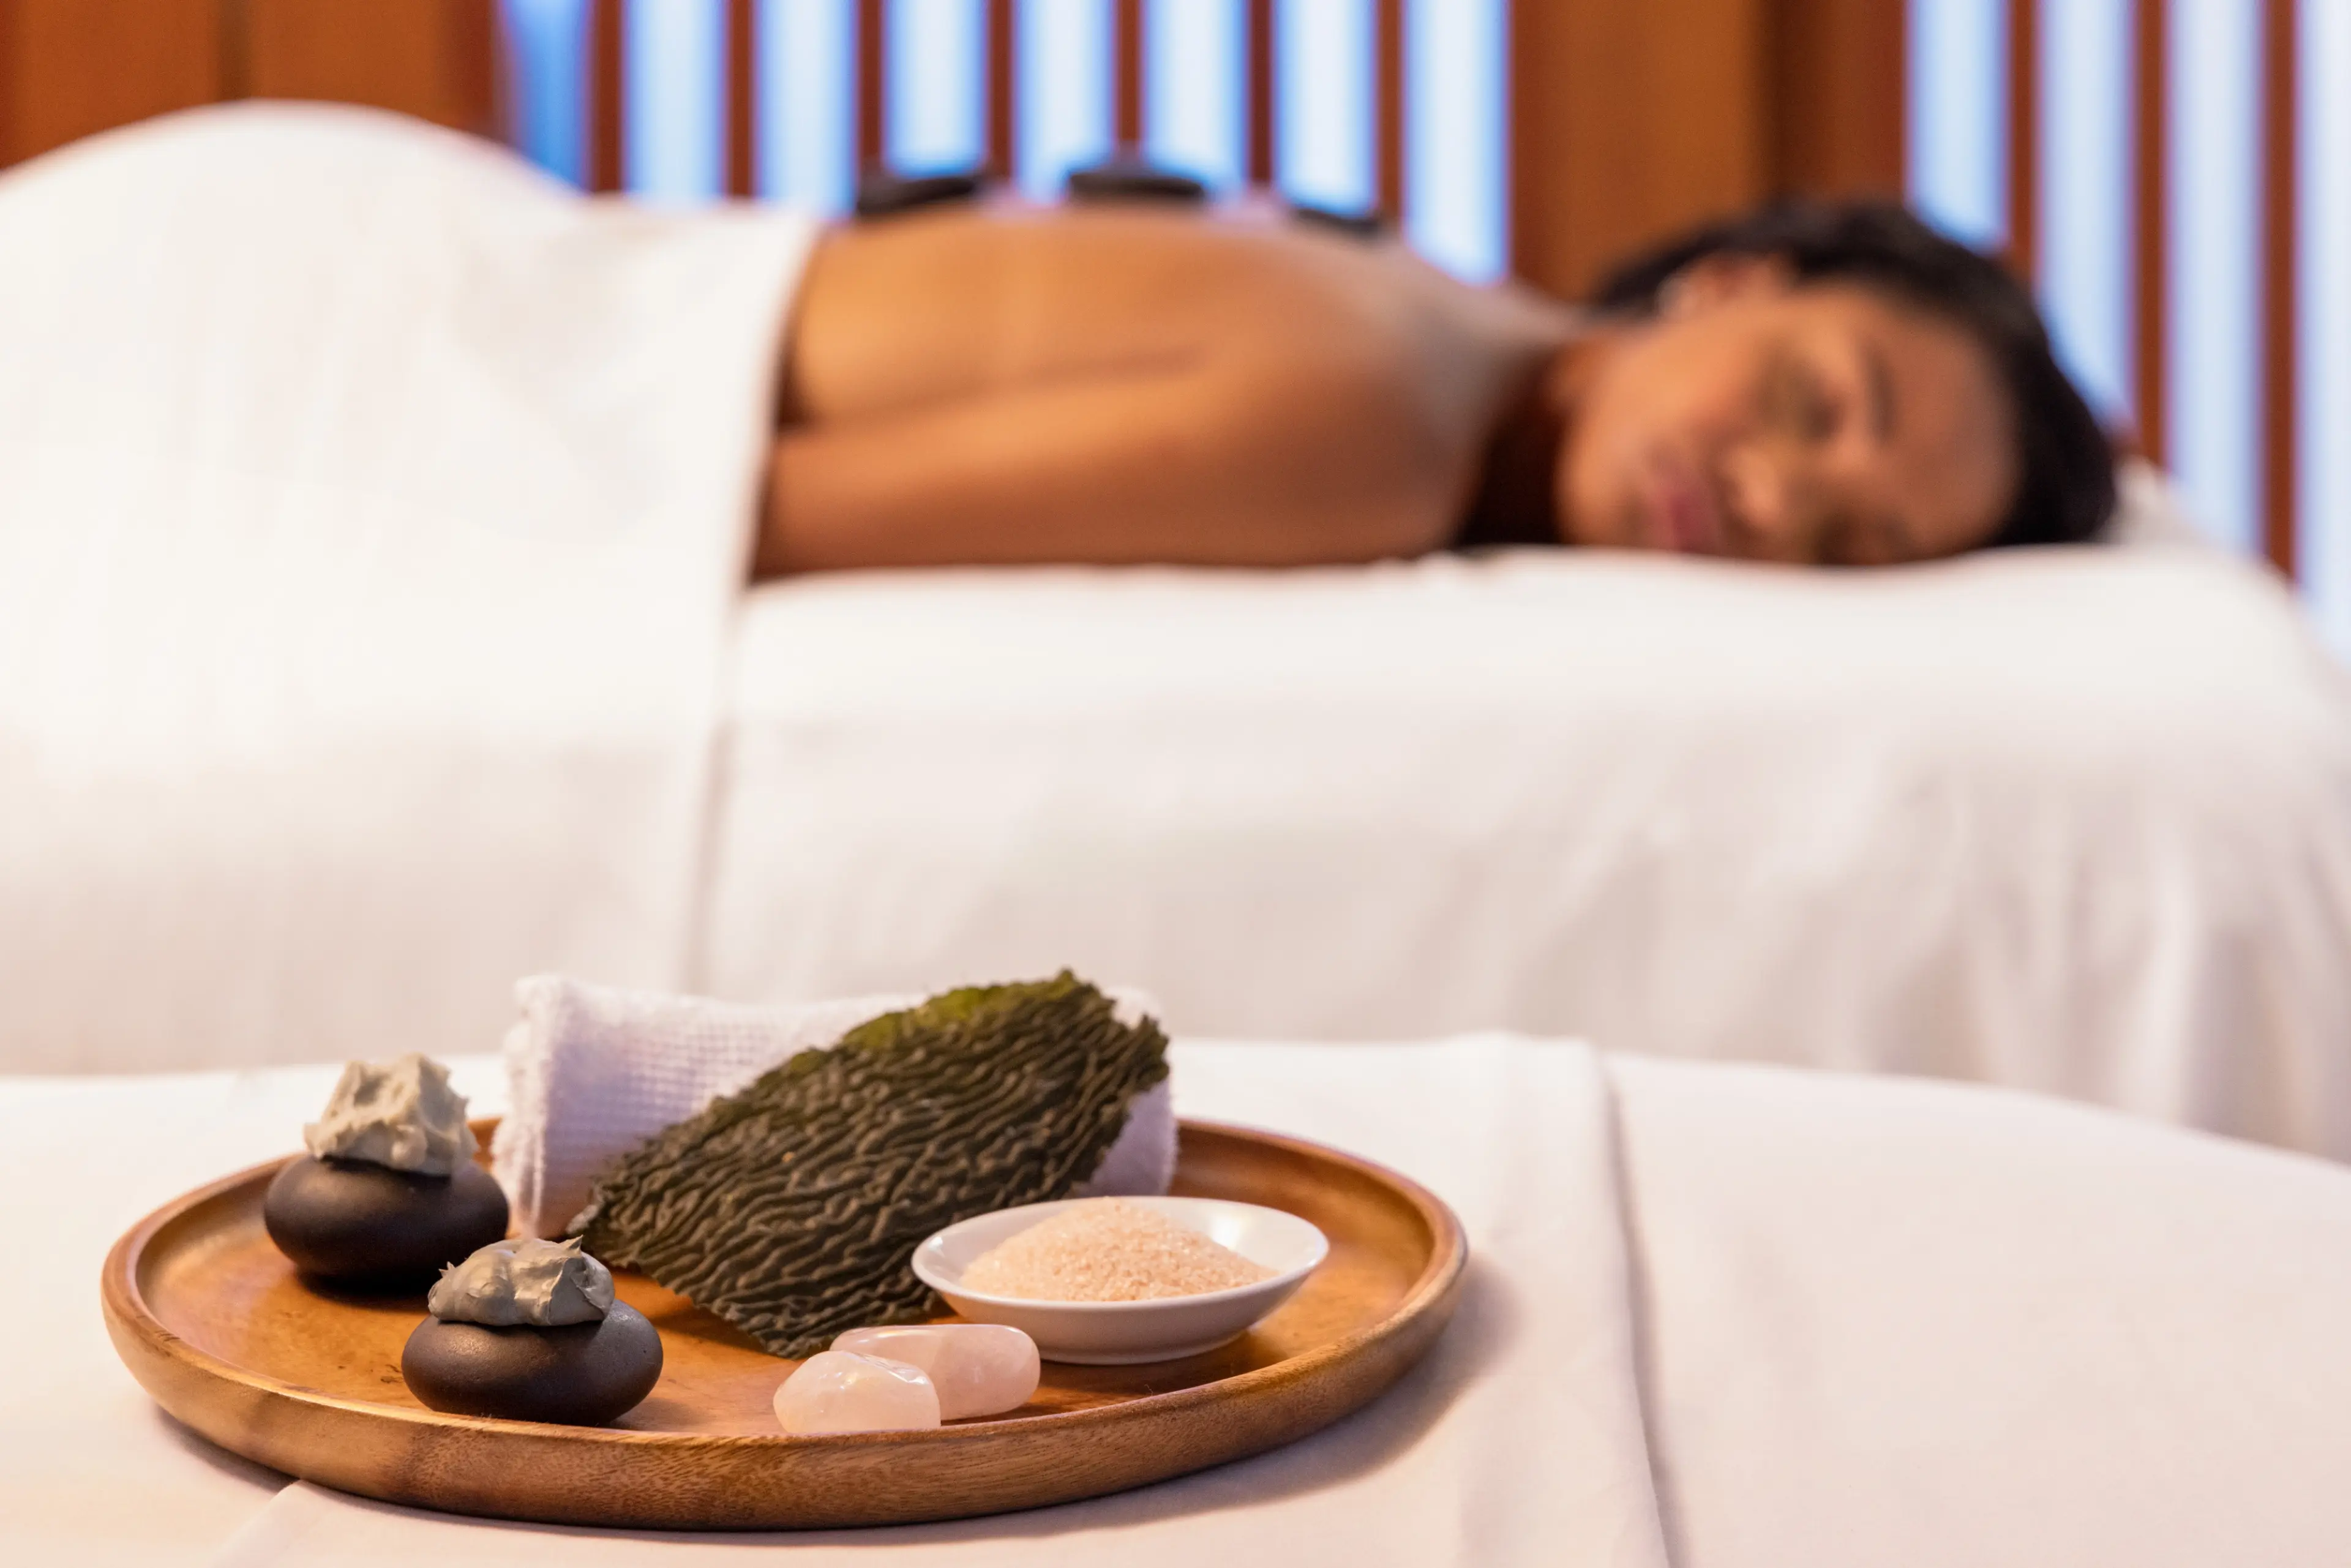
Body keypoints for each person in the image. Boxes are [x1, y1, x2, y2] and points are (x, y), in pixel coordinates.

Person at [760, 196, 2115, 577]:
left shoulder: (1430, 306)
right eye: (1811, 405)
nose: (1768, 497)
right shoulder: (1378, 425)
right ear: (1731, 280)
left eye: (1845, 545)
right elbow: (730, 509)